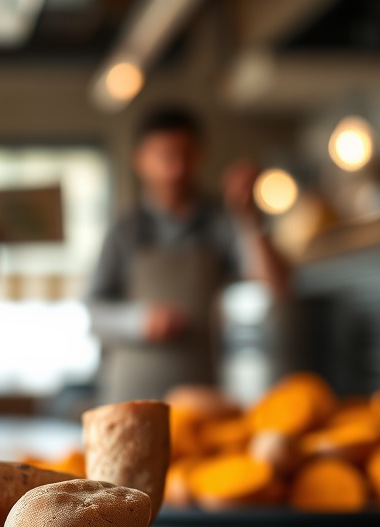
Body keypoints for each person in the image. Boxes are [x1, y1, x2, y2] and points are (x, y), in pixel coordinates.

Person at [86, 106, 290, 404]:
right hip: (130, 395)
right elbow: (93, 313)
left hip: (202, 394)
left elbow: (277, 287)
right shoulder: (124, 230)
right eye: (165, 157)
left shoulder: (222, 222)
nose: (177, 168)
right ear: (140, 161)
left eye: (185, 155)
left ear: (200, 154)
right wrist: (139, 321)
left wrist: (249, 219)